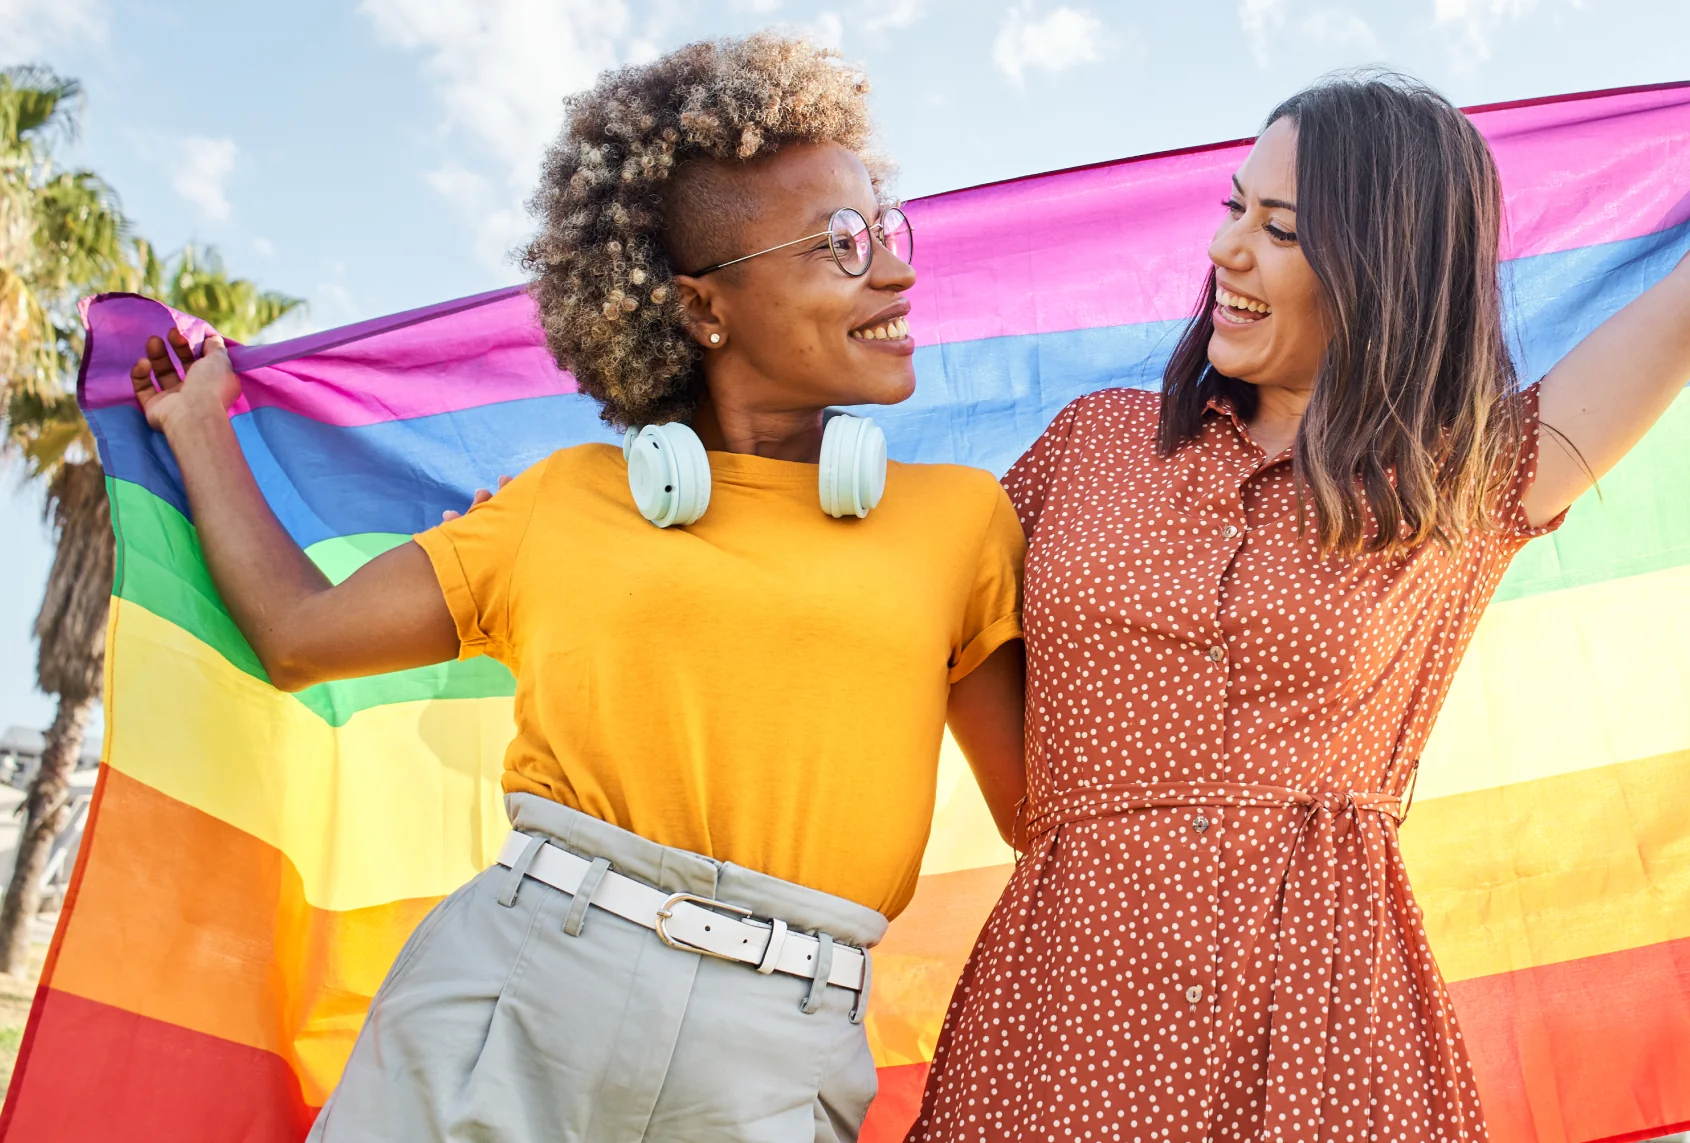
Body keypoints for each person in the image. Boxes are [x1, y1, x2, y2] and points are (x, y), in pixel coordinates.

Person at [907, 33, 1690, 1143]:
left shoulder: (1471, 482)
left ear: (1379, 265)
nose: (1225, 250)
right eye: (1231, 209)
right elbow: (941, 636)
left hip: (1321, 1025)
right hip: (1060, 1013)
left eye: (1279, 230)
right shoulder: (1088, 448)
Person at [127, 34, 1028, 1143]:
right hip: (506, 994)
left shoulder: (960, 523)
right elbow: (300, 637)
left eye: (883, 227)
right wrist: (198, 427)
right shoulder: (563, 501)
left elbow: (1045, 817)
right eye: (839, 243)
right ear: (703, 307)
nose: (893, 271)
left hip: (777, 1057)